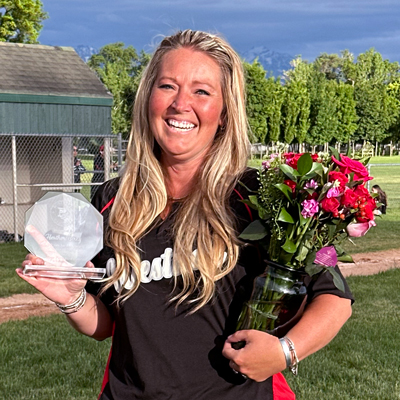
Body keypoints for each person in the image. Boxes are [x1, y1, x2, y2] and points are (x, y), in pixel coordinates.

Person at [17, 30, 353, 399]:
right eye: (167, 86)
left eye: (202, 91)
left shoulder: (262, 197)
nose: (181, 104)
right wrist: (71, 297)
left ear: (224, 112)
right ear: (149, 98)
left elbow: (334, 298)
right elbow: (106, 326)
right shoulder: (112, 198)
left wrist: (284, 351)